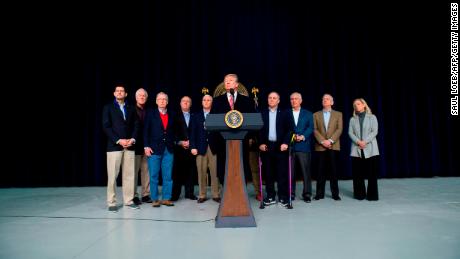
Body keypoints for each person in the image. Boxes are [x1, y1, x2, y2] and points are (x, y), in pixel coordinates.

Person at [211, 74, 255, 185]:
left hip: (241, 142)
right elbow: (212, 121)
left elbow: (253, 120)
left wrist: (249, 137)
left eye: (230, 80)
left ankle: (241, 194)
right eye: (225, 80)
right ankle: (226, 195)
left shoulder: (247, 101)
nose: (227, 82)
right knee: (224, 170)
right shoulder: (217, 101)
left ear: (236, 84)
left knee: (240, 169)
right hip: (223, 142)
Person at [102, 83, 140, 212]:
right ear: (114, 93)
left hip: (129, 146)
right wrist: (119, 140)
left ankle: (128, 201)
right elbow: (106, 126)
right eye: (117, 91)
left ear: (126, 94)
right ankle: (111, 202)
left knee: (129, 175)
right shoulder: (108, 108)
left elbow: (136, 125)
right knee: (113, 176)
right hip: (114, 146)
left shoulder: (131, 108)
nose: (119, 92)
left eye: (122, 91)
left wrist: (132, 139)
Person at [259, 92, 291, 207]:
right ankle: (271, 196)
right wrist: (260, 143)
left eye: (274, 98)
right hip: (267, 147)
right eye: (270, 98)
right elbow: (259, 130)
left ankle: (283, 197)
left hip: (281, 147)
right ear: (267, 100)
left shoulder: (285, 113)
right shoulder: (262, 113)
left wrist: (286, 143)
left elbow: (290, 130)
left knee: (282, 173)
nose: (272, 100)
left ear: (278, 100)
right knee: (269, 174)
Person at [144, 92, 176, 207]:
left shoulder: (172, 114)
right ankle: (155, 199)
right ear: (156, 101)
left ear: (167, 102)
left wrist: (177, 142)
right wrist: (146, 146)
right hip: (154, 149)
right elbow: (146, 131)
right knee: (154, 175)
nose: (162, 101)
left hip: (168, 150)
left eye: (164, 99)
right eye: (160, 99)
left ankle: (166, 198)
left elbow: (174, 132)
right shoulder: (150, 114)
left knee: (168, 176)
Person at [190, 94, 221, 203]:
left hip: (214, 148)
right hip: (200, 148)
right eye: (204, 100)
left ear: (211, 102)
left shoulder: (216, 115)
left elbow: (219, 133)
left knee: (215, 172)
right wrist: (193, 147)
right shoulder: (196, 116)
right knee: (201, 172)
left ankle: (215, 194)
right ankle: (202, 195)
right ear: (202, 102)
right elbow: (192, 133)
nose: (206, 101)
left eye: (209, 100)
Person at [348, 98, 379, 201]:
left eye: (358, 104)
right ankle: (359, 195)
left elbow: (374, 131)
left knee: (372, 174)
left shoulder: (372, 117)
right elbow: (350, 133)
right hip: (356, 148)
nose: (356, 106)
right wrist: (358, 142)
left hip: (370, 148)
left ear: (364, 105)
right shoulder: (352, 119)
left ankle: (372, 195)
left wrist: (364, 142)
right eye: (354, 105)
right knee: (357, 174)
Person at [313, 93, 343, 201]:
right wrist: (322, 141)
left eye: (327, 99)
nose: (325, 100)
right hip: (320, 147)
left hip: (333, 146)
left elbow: (339, 129)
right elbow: (315, 129)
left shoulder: (338, 114)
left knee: (333, 171)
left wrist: (330, 141)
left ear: (332, 102)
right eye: (323, 99)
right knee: (320, 171)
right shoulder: (316, 114)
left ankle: (335, 194)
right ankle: (319, 194)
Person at [171, 96, 198, 201]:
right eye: (184, 101)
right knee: (177, 172)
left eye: (188, 101)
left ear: (190, 104)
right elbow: (172, 132)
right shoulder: (174, 116)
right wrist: (180, 142)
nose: (186, 103)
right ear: (180, 103)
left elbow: (196, 131)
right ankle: (175, 195)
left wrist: (191, 142)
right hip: (179, 148)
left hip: (191, 148)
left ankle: (189, 193)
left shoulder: (194, 116)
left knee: (191, 172)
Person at [289, 92, 314, 203]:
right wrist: (293, 136)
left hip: (303, 146)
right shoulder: (286, 113)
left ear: (301, 100)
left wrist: (303, 136)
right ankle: (291, 193)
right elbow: (284, 128)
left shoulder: (308, 114)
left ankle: (307, 194)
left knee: (305, 172)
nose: (294, 101)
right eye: (292, 99)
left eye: (296, 99)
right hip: (290, 147)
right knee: (290, 172)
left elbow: (311, 127)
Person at [133, 88, 151, 204]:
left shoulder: (150, 111)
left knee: (146, 171)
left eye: (144, 95)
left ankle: (145, 194)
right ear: (136, 97)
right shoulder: (130, 110)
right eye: (140, 95)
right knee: (133, 172)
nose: (142, 97)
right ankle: (133, 195)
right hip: (134, 146)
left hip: (147, 146)